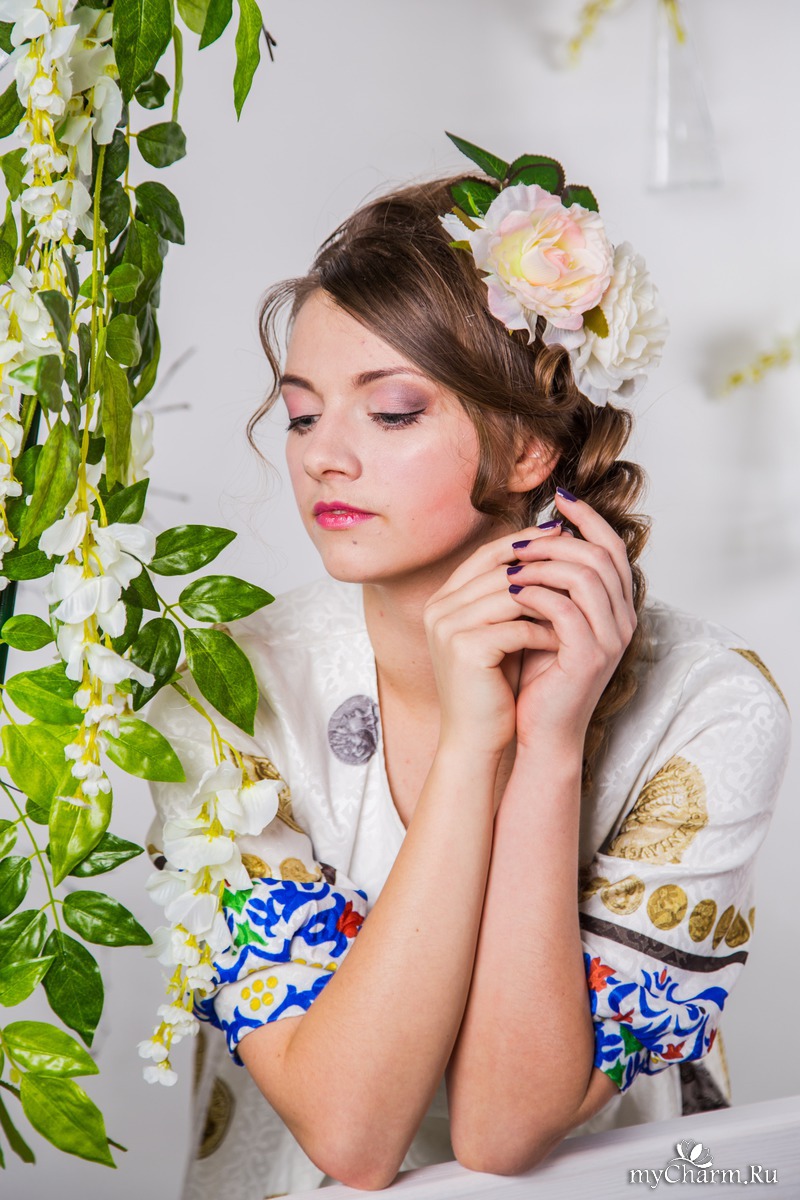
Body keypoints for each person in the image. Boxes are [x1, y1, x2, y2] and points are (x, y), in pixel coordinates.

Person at [144, 140, 792, 1198]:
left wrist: (546, 749)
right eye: (301, 413)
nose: (320, 454)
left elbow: (503, 1131)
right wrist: (470, 749)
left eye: (391, 411)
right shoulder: (224, 693)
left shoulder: (708, 707)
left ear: (531, 445)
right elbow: (352, 1135)